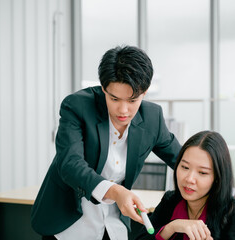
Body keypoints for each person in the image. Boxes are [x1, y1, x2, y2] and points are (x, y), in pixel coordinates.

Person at [31, 45, 181, 239]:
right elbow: (70, 164)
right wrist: (115, 192)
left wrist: (225, 188)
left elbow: (182, 159)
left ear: (144, 93)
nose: (123, 110)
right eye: (114, 98)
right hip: (68, 226)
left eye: (132, 100)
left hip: (114, 226)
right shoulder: (77, 106)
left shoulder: (152, 117)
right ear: (103, 88)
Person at [134, 131, 235, 240]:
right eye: (185, 167)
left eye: (202, 173)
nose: (189, 179)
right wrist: (172, 227)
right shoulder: (171, 200)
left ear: (217, 177)